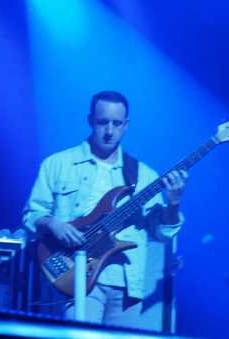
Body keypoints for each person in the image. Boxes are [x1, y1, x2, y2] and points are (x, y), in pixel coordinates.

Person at [23, 90, 186, 329]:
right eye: (103, 122)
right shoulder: (57, 164)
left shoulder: (144, 175)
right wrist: (54, 224)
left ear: (126, 125)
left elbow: (162, 233)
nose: (109, 131)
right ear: (91, 121)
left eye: (117, 123)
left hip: (127, 283)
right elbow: (31, 215)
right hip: (76, 276)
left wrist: (173, 203)